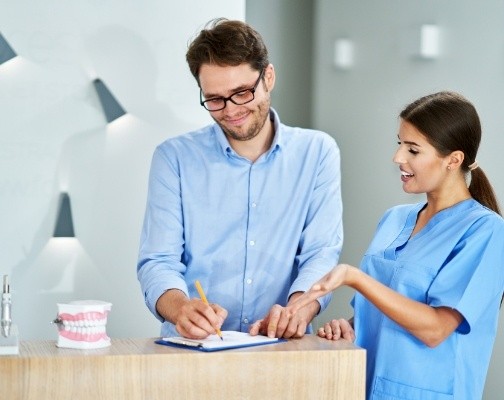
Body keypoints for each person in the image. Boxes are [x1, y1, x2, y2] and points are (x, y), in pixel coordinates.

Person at [286, 91, 504, 400]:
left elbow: (436, 329)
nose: (398, 158)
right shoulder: (394, 219)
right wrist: (348, 327)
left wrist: (355, 278)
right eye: (399, 143)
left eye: (413, 150)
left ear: (453, 160)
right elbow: (381, 314)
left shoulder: (486, 231)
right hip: (362, 389)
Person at [136, 18, 343, 340]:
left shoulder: (317, 152)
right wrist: (180, 309)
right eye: (215, 99)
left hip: (281, 345)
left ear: (268, 77)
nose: (230, 110)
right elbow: (158, 260)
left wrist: (299, 309)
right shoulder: (174, 158)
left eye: (242, 93)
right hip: (194, 347)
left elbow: (321, 252)